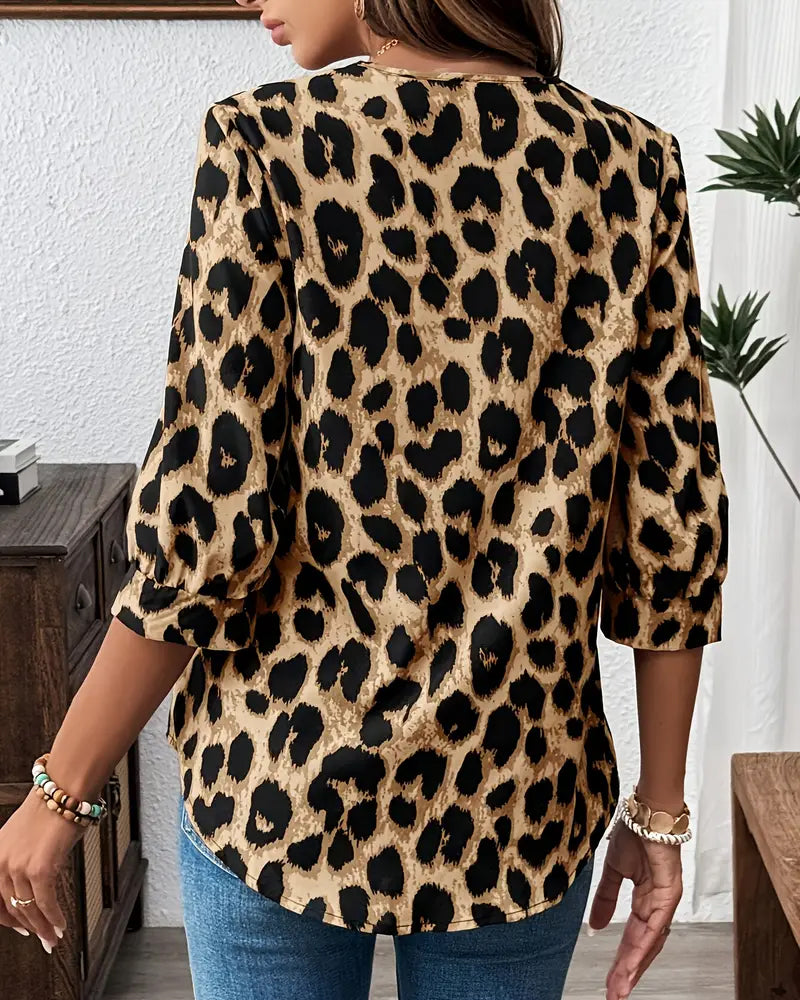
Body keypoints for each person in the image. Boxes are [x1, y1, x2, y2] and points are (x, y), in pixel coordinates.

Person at [0, 1, 729, 999]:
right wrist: (659, 813)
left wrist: (61, 789)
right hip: (518, 801)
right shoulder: (630, 167)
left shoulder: (264, 145)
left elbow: (210, 526)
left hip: (276, 787)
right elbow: (669, 525)